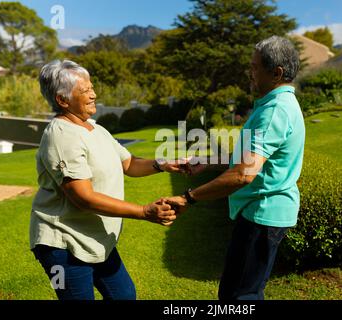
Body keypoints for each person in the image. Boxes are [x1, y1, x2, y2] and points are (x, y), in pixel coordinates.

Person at [30, 60, 189, 300]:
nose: (94, 94)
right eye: (85, 91)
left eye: (92, 87)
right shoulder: (60, 136)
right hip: (62, 245)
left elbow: (128, 163)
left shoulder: (94, 128)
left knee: (124, 295)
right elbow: (83, 197)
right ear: (62, 100)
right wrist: (144, 211)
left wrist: (162, 164)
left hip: (96, 239)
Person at [166, 36, 305, 300]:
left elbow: (244, 174)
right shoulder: (276, 106)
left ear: (276, 73)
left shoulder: (274, 111)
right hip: (260, 213)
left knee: (238, 296)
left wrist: (188, 198)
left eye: (255, 67)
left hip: (262, 215)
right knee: (244, 291)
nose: (250, 73)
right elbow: (250, 159)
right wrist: (206, 162)